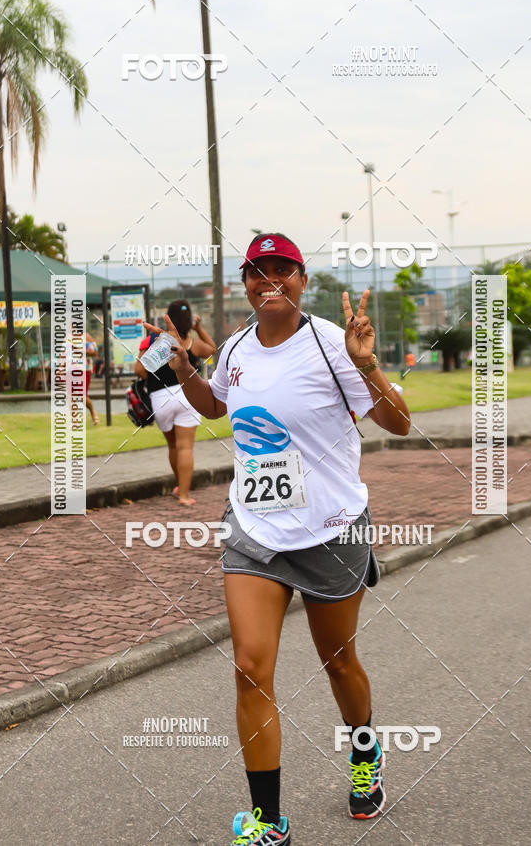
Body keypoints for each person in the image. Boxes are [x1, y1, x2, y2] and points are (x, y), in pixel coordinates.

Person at [144, 234, 410, 844]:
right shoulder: (235, 346)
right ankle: (268, 822)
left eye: (281, 271)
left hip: (330, 529)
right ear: (245, 284)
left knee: (339, 662)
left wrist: (366, 362)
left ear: (301, 278)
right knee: (249, 668)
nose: (269, 282)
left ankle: (365, 758)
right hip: (256, 531)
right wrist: (185, 368)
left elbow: (397, 422)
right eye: (256, 273)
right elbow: (215, 407)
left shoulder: (332, 344)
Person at [136, 300, 215, 506]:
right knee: (185, 448)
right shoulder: (190, 343)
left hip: (160, 397)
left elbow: (139, 370)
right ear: (189, 321)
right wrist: (198, 328)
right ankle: (184, 495)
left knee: (173, 447)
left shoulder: (155, 341)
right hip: (187, 395)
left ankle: (180, 484)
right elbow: (211, 349)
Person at [85, 332, 99, 425]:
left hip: (84, 369)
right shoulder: (67, 337)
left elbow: (95, 353)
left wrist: (80, 350)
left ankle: (93, 412)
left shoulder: (86, 337)